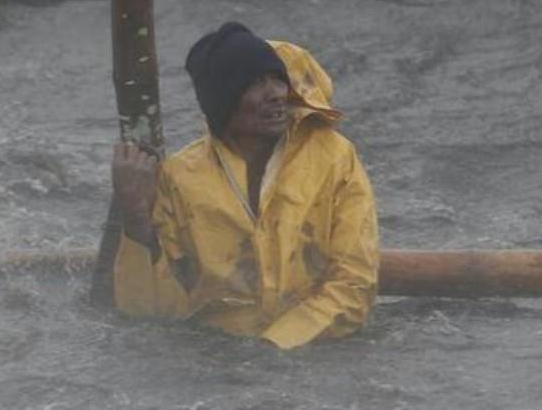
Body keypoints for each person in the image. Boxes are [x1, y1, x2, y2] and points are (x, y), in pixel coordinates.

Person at [110, 22, 379, 349]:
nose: (277, 94)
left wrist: (275, 345)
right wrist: (136, 219)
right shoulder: (180, 177)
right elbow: (152, 315)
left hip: (318, 351)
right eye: (255, 83)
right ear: (222, 101)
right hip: (215, 358)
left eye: (277, 79)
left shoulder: (334, 158)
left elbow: (354, 285)